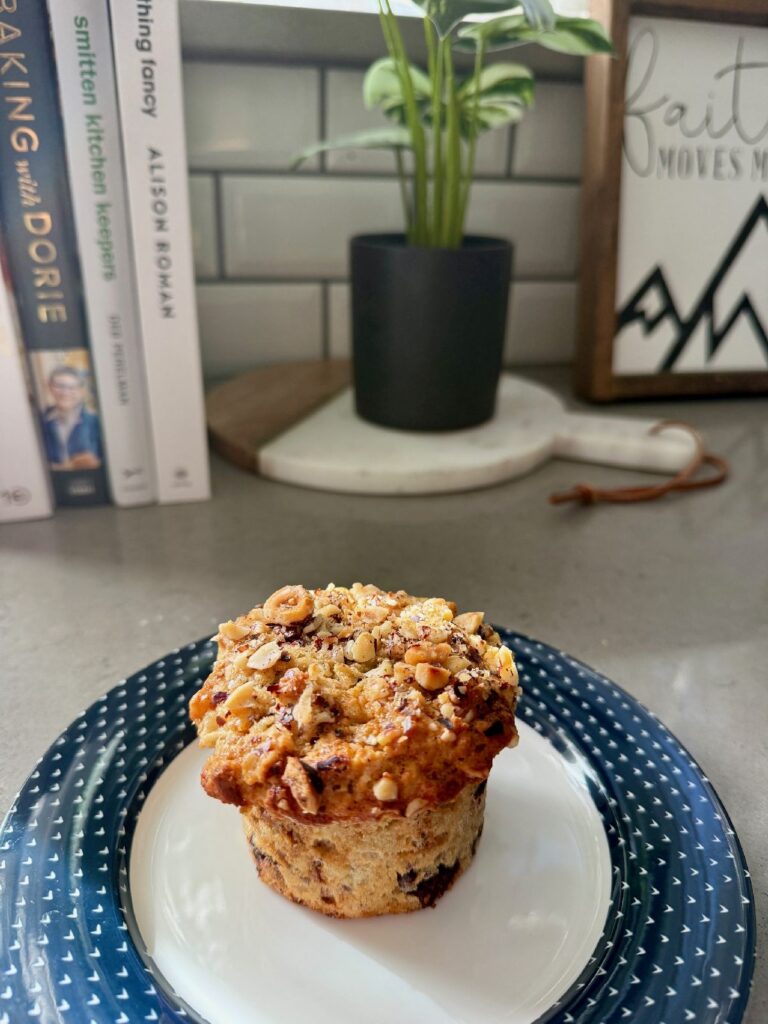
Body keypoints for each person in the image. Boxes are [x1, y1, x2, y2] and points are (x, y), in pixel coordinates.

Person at [40, 365, 102, 470]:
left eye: (72, 387)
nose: (65, 392)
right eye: (59, 386)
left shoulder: (95, 422)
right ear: (49, 387)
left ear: (81, 391)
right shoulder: (40, 422)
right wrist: (69, 466)